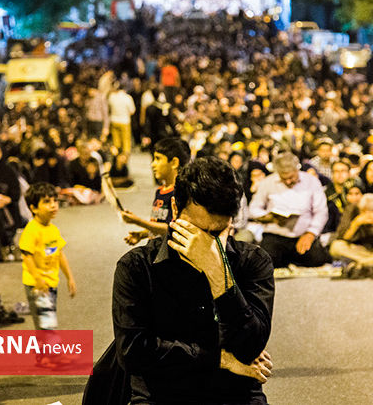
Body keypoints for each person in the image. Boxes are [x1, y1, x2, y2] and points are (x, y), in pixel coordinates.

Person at [112, 157, 274, 403]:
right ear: (175, 210)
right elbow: (133, 352)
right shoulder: (136, 267)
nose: (206, 243)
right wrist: (219, 358)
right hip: (161, 392)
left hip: (232, 392)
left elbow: (250, 347)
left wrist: (218, 274)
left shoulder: (252, 262)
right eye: (197, 230)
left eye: (217, 232)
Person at [249, 151, 330, 268]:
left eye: (291, 177)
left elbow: (321, 212)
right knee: (266, 262)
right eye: (284, 178)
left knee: (318, 259)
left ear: (297, 169)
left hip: (303, 235)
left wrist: (310, 234)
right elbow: (254, 208)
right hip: (275, 235)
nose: (288, 181)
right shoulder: (267, 183)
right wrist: (268, 217)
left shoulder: (311, 182)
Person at [19, 183, 77, 330]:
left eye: (54, 201)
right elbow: (27, 257)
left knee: (48, 321)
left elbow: (59, 254)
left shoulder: (53, 229)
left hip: (51, 283)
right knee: (45, 324)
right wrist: (38, 280)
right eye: (46, 202)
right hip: (37, 284)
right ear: (33, 208)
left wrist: (69, 277)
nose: (53, 206)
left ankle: (49, 352)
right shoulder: (31, 230)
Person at [121, 138, 191, 245]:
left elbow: (170, 229)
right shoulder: (160, 191)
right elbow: (158, 224)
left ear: (174, 163)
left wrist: (137, 221)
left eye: (158, 159)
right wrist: (142, 234)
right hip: (154, 247)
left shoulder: (180, 192)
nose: (153, 164)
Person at [108, 82, 136, 157]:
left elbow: (109, 108)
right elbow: (132, 111)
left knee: (116, 141)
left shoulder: (112, 97)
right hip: (124, 121)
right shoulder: (127, 98)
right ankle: (125, 158)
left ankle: (116, 157)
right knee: (126, 141)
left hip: (114, 121)